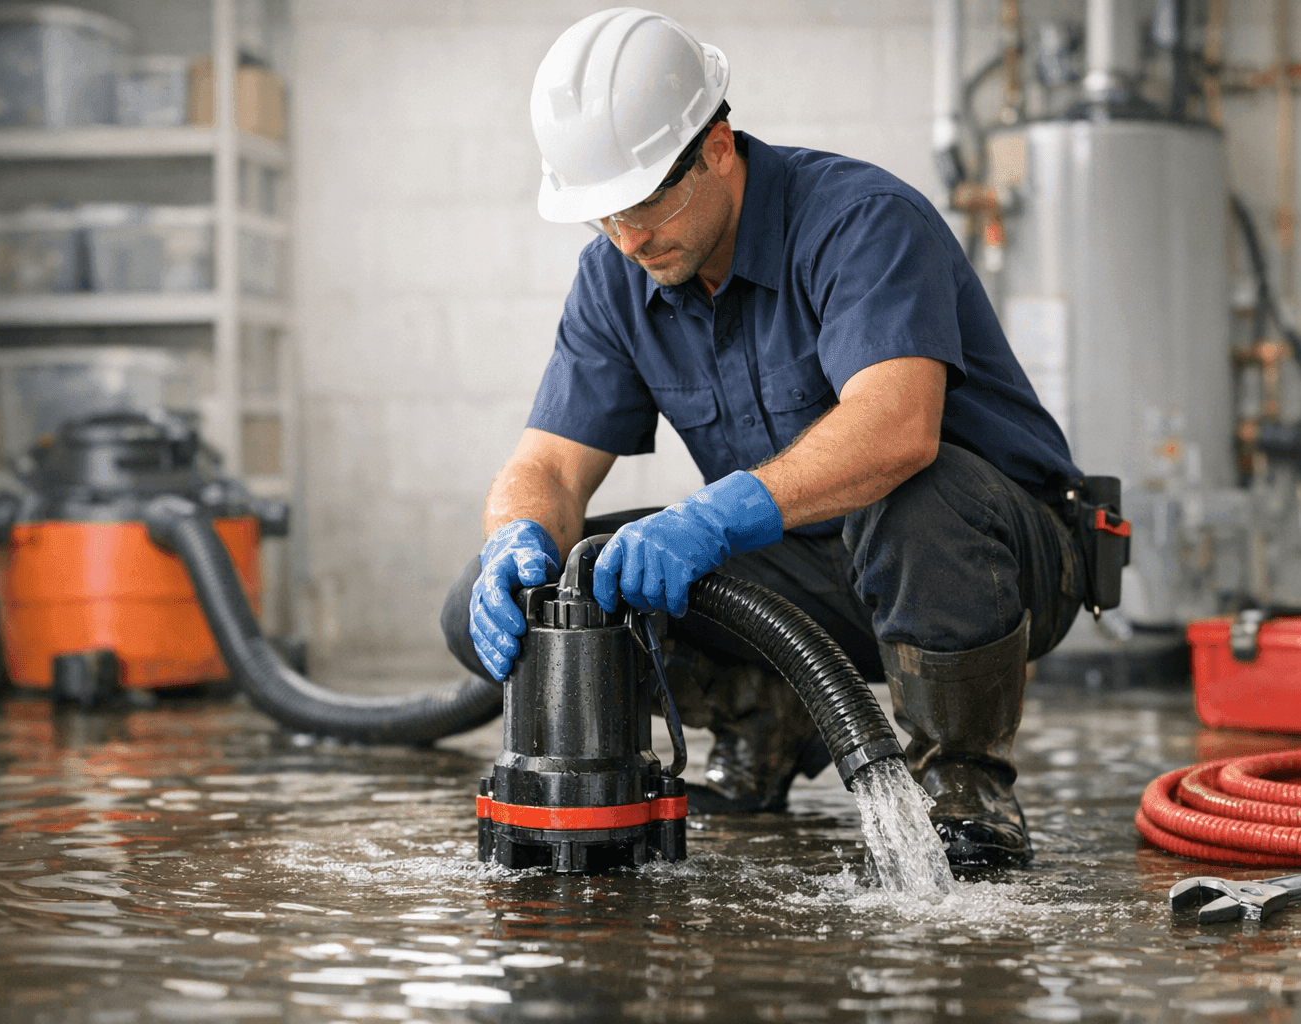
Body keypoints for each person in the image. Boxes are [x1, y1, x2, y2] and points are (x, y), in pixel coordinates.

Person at [441, 8, 1087, 868]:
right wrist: (511, 538)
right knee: (550, 583)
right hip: (815, 576)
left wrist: (711, 518)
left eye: (645, 204)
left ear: (716, 147)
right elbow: (550, 466)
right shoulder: (617, 275)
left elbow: (897, 429)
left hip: (992, 563)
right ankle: (763, 717)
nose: (631, 240)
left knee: (916, 496)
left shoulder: (860, 221)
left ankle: (962, 788)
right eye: (604, 218)